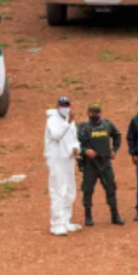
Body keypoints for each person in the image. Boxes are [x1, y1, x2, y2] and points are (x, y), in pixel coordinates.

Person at [78, 104, 125, 227]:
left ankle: (115, 215)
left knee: (111, 187)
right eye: (93, 112)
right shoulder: (83, 127)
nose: (95, 115)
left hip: (105, 162)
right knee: (88, 190)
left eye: (97, 112)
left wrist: (114, 150)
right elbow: (74, 143)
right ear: (88, 113)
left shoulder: (107, 124)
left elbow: (117, 135)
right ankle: (88, 216)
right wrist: (85, 150)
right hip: (90, 164)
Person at [45, 96, 82, 236]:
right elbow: (56, 135)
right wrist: (68, 122)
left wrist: (76, 148)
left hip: (69, 158)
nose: (65, 107)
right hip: (56, 160)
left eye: (67, 104)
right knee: (58, 190)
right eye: (62, 105)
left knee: (70, 190)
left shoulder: (69, 120)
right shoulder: (52, 120)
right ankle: (56, 224)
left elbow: (74, 138)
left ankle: (66, 221)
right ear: (57, 106)